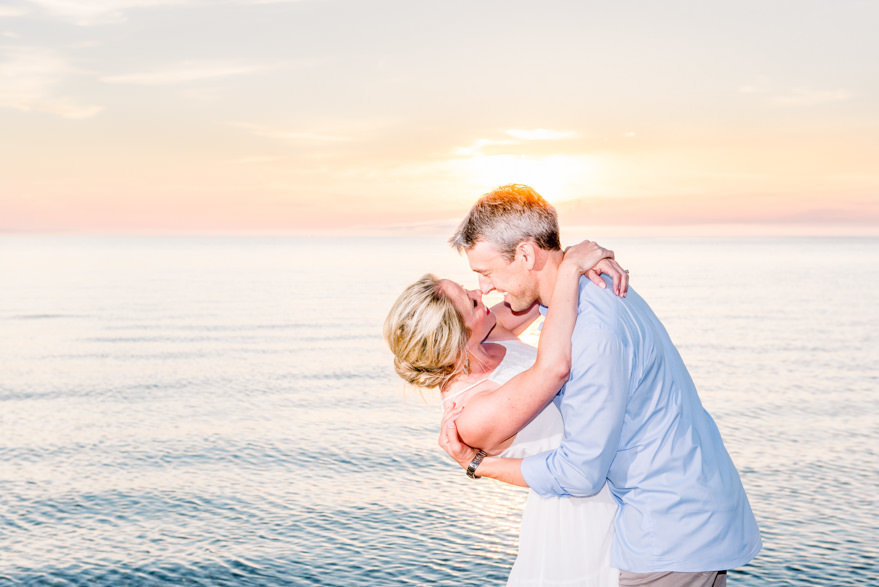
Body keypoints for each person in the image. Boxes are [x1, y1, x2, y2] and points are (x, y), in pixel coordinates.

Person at [439, 184, 761, 587]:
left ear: (524, 254)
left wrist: (477, 465)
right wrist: (572, 262)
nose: (484, 289)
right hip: (685, 519)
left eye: (485, 273)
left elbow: (580, 472)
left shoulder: (590, 331)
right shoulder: (593, 291)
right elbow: (514, 315)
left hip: (667, 534)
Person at [384, 240, 629, 586]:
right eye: (470, 301)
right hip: (580, 514)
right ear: (455, 338)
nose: (479, 293)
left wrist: (578, 259)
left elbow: (542, 289)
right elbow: (553, 368)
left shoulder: (486, 333)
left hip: (604, 471)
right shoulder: (472, 412)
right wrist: (573, 268)